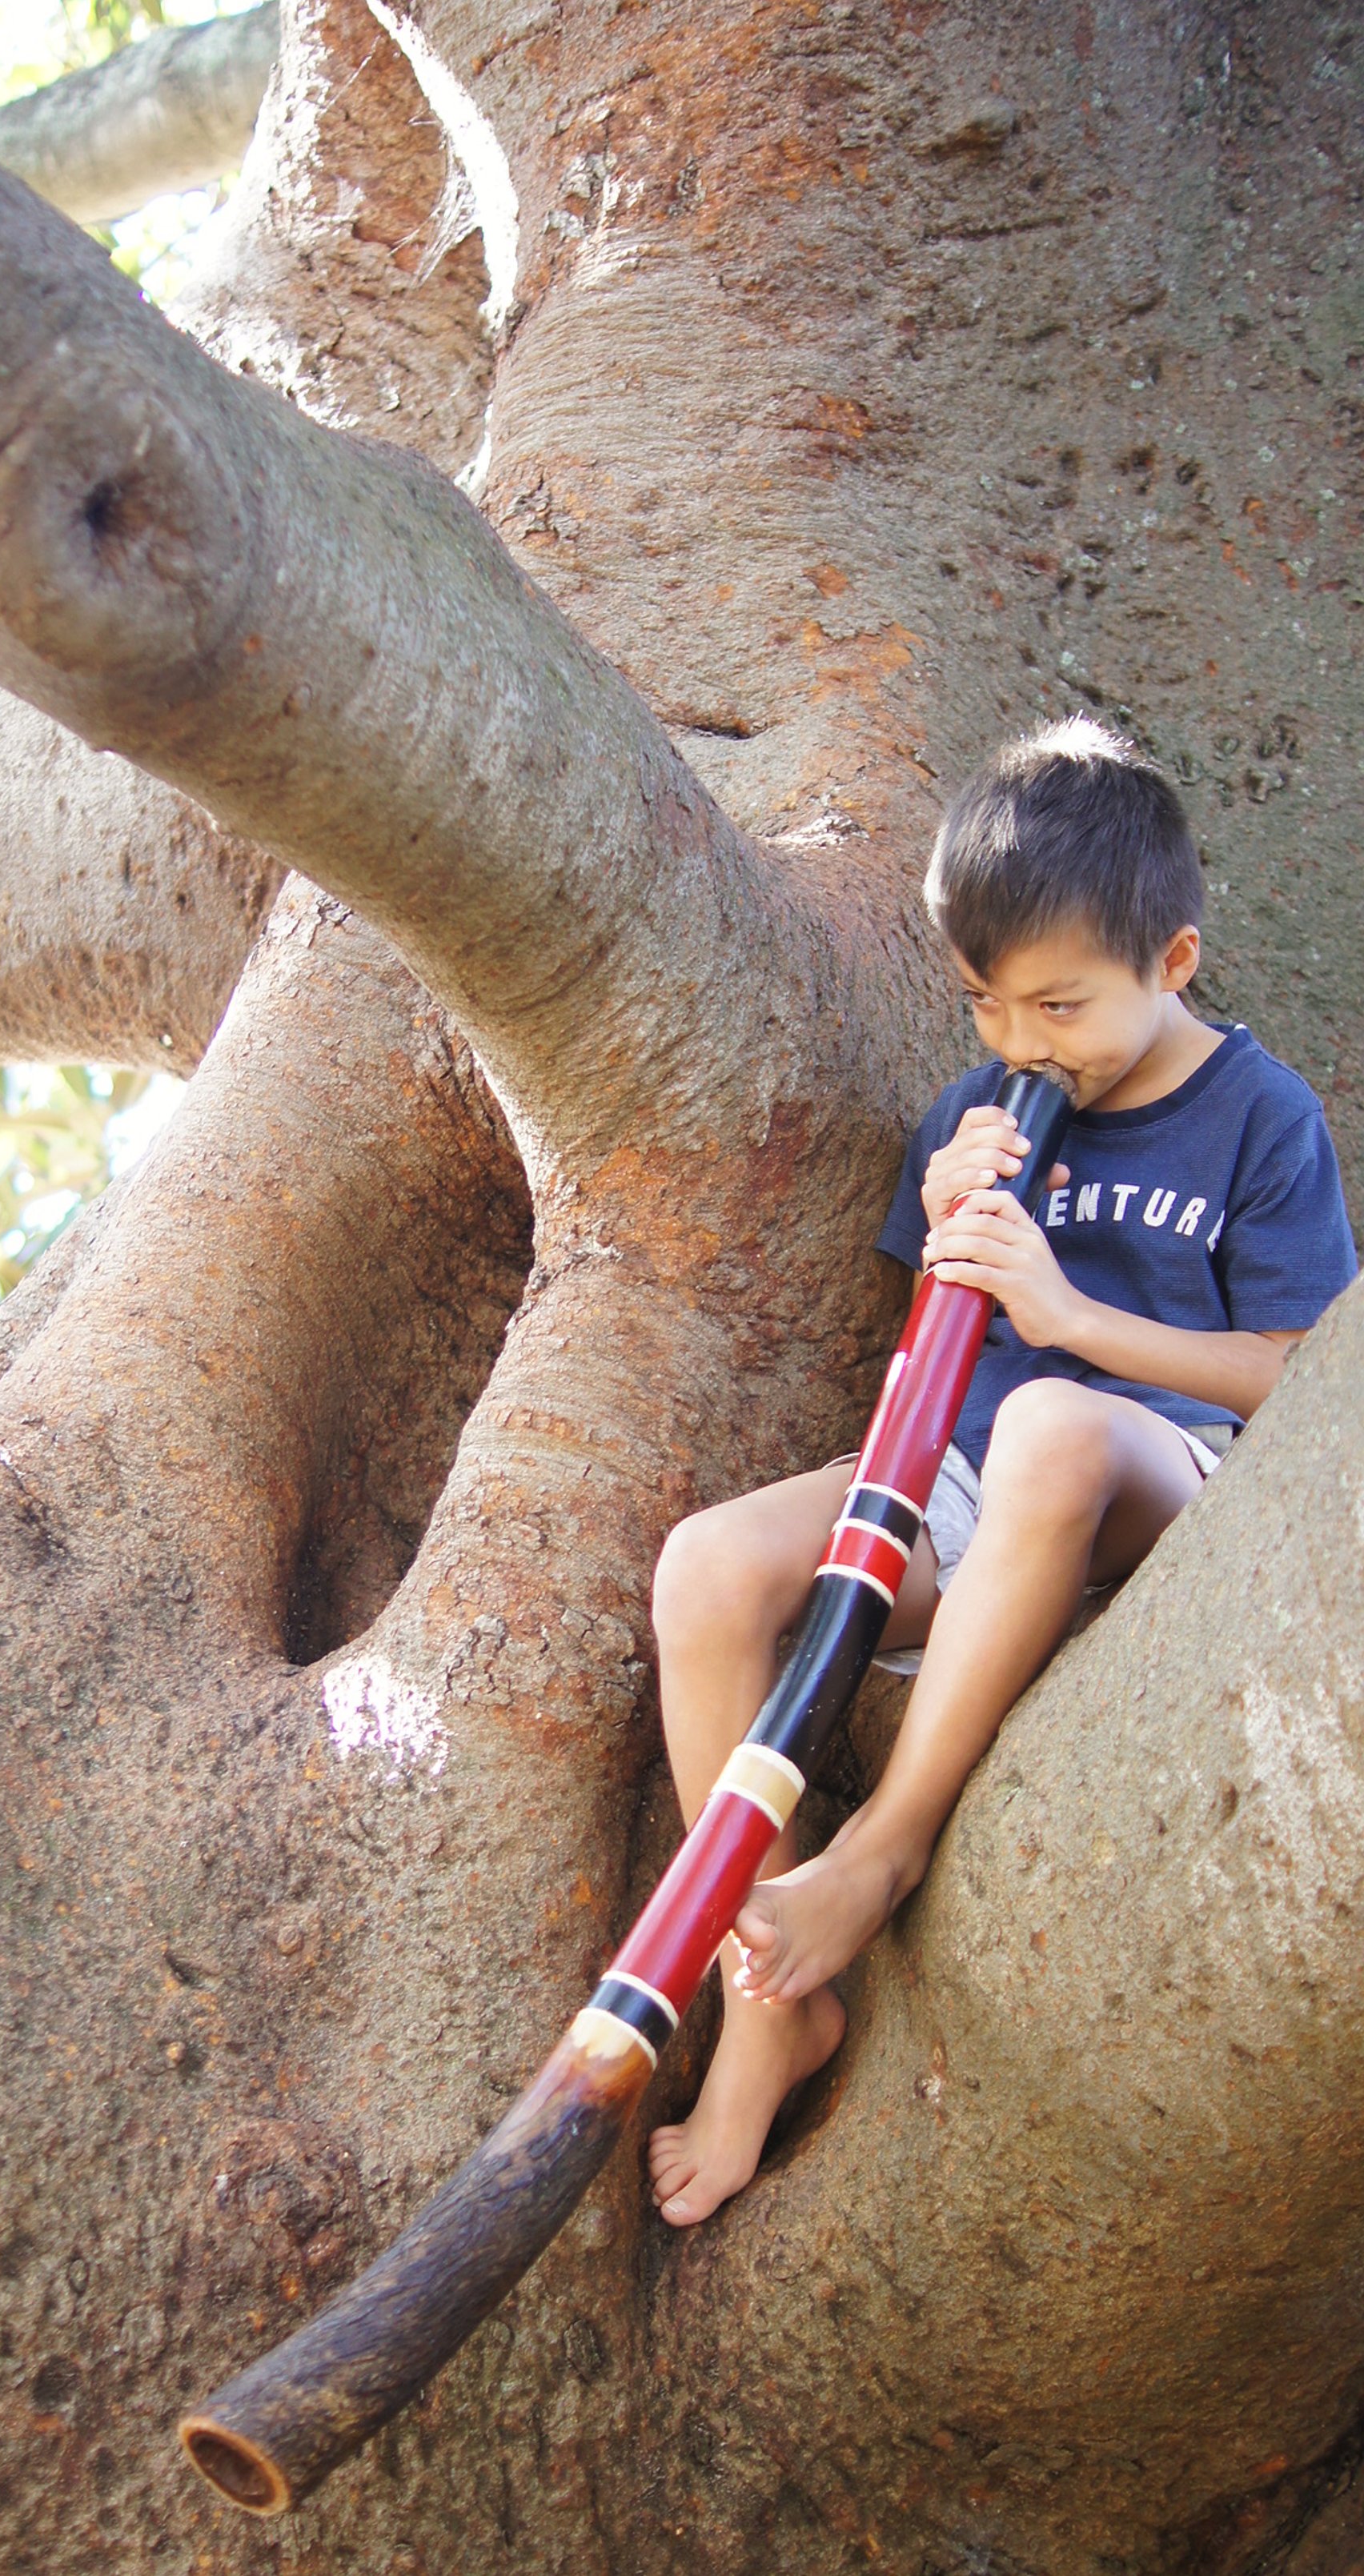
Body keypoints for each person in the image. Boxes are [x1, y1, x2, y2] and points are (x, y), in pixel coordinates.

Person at [646, 719, 1358, 2228]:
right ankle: (765, 2005)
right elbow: (929, 1363)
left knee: (1050, 1422)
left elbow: (1307, 1372)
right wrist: (950, 1214)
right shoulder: (976, 1117)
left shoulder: (1260, 1115)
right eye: (986, 1003)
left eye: (1060, 1005)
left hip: (1160, 1473)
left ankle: (883, 1849)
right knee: (708, 1569)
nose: (1024, 1041)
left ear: (1173, 960)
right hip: (971, 1478)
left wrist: (1075, 1320)